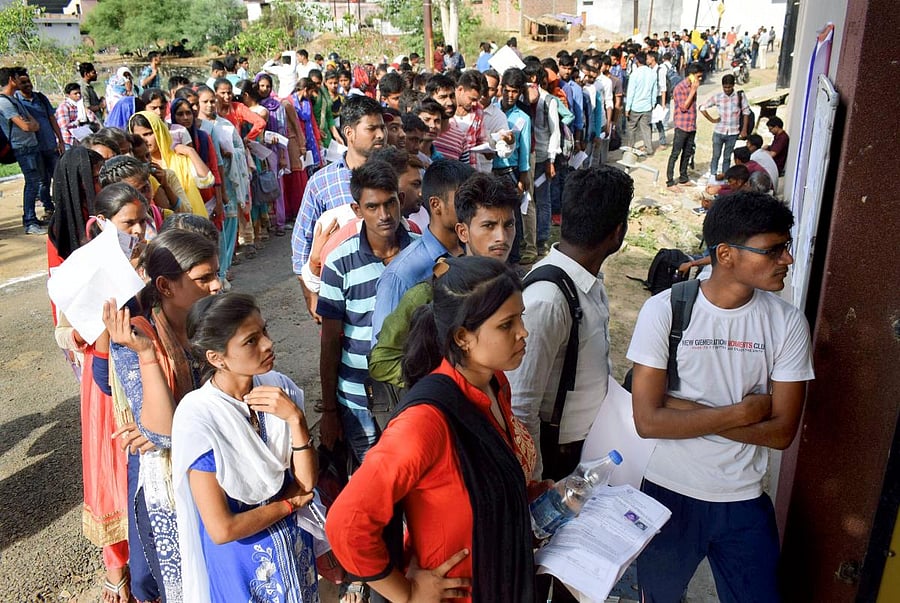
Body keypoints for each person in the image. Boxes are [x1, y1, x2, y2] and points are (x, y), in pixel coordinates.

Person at [628, 192, 814, 602]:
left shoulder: (786, 322)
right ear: (726, 255)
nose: (787, 259)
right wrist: (745, 412)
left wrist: (682, 409)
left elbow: (782, 432)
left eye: (787, 246)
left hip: (743, 499)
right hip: (667, 493)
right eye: (774, 250)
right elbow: (648, 422)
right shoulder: (665, 311)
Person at [326, 255, 536, 603]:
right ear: (463, 337)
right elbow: (346, 524)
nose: (523, 331)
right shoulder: (425, 424)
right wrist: (406, 594)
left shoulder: (495, 384)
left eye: (522, 317)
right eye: (506, 324)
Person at [172, 293, 319, 603]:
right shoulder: (201, 417)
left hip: (293, 548)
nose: (267, 344)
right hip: (243, 562)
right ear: (216, 358)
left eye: (264, 331)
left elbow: (306, 484)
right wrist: (287, 506)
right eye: (251, 341)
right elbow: (222, 528)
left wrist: (295, 420)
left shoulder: (277, 388)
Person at [103, 229, 223, 602]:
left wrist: (154, 426)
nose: (218, 285)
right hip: (169, 480)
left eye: (216, 273)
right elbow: (167, 434)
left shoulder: (219, 319)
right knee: (166, 582)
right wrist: (146, 354)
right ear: (165, 287)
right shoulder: (138, 336)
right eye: (204, 278)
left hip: (220, 463)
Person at [368, 171, 520, 390]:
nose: (501, 238)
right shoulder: (430, 292)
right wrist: (443, 382)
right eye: (489, 226)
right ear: (463, 232)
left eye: (509, 225)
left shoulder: (513, 289)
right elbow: (381, 362)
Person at [316, 159, 417, 463]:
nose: (385, 215)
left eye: (391, 204)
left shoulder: (421, 254)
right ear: (357, 210)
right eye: (373, 207)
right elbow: (330, 341)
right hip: (357, 400)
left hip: (410, 393)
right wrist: (330, 410)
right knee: (372, 481)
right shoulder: (339, 262)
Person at [291, 94, 385, 319]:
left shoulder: (397, 175)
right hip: (340, 294)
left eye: (383, 127)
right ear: (349, 133)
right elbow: (301, 241)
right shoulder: (322, 182)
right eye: (372, 128)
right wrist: (311, 295)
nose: (381, 134)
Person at [371, 160, 473, 342]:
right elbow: (383, 358)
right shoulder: (400, 275)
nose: (473, 208)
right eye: (464, 199)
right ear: (436, 205)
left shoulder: (474, 253)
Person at [129, 110, 213, 216]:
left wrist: (190, 152)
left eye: (148, 134)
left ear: (159, 131)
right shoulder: (133, 173)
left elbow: (207, 181)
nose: (144, 140)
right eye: (139, 136)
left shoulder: (179, 160)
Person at [0, 66, 49, 234]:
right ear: (11, 80)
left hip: (31, 145)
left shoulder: (14, 100)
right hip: (23, 148)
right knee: (32, 183)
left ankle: (32, 218)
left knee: (37, 181)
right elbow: (26, 125)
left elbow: (32, 122)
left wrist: (31, 125)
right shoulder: (4, 102)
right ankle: (29, 222)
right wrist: (30, 125)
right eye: (16, 78)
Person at [493, 68, 532, 266]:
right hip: (491, 169)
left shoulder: (523, 118)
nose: (510, 95)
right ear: (500, 88)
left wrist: (523, 175)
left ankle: (514, 261)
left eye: (515, 91)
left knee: (512, 217)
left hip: (511, 172)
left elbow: (524, 148)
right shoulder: (492, 109)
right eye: (507, 90)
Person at [15, 72, 64, 224]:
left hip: (50, 146)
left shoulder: (40, 98)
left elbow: (52, 119)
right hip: (34, 149)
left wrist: (60, 140)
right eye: (23, 82)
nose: (27, 84)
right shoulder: (17, 102)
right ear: (17, 84)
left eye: (28, 81)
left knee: (60, 176)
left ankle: (63, 206)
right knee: (43, 181)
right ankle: (49, 209)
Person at [700, 74, 750, 177]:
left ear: (733, 85)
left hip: (733, 132)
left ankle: (725, 176)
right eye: (725, 87)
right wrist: (712, 120)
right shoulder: (718, 97)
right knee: (715, 156)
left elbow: (746, 112)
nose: (727, 89)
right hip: (719, 131)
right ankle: (713, 176)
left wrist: (744, 129)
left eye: (729, 87)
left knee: (727, 157)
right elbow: (702, 107)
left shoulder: (739, 97)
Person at [666, 63, 703, 190]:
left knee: (687, 153)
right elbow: (683, 107)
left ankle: (683, 177)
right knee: (675, 153)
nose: (700, 79)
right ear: (692, 75)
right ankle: (670, 181)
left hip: (691, 125)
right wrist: (692, 91)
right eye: (698, 77)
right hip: (681, 125)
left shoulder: (693, 87)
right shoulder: (680, 88)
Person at [624, 51, 657, 155]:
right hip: (647, 106)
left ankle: (630, 147)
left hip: (635, 106)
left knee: (631, 128)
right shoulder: (652, 73)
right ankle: (649, 148)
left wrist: (627, 108)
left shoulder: (635, 74)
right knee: (646, 128)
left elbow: (631, 92)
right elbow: (654, 90)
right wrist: (653, 103)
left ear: (637, 61)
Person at [56, 82, 98, 149]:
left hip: (81, 139)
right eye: (75, 93)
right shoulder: (64, 107)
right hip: (68, 141)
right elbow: (64, 126)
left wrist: (85, 110)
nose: (78, 95)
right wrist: (77, 122)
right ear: (68, 95)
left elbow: (93, 119)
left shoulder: (80, 106)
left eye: (79, 93)